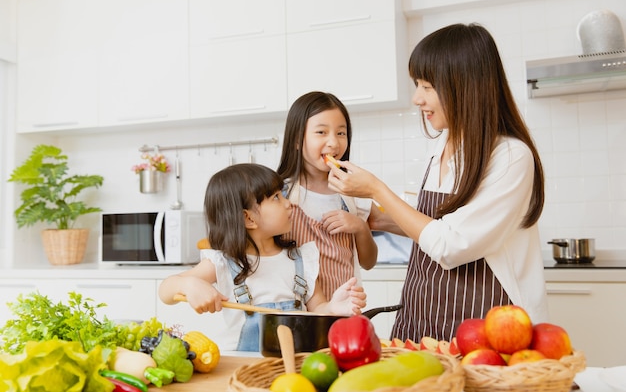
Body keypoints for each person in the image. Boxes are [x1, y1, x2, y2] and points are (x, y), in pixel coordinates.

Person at [327, 23, 549, 343]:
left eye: (427, 86)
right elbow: (434, 226)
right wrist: (376, 219)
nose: (417, 98)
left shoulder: (510, 156)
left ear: (465, 85)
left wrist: (376, 189)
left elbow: (450, 245)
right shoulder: (444, 144)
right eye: (417, 84)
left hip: (488, 322)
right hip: (423, 314)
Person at [158, 163, 366, 352]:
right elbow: (166, 290)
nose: (288, 204)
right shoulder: (224, 263)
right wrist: (189, 285)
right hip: (240, 369)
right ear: (248, 218)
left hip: (291, 368)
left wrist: (333, 308)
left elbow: (318, 309)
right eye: (276, 197)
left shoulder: (301, 259)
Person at [276, 91, 378, 301]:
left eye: (341, 133)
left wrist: (360, 226)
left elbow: (368, 262)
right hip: (296, 313)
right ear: (297, 140)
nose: (333, 143)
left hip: (345, 313)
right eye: (321, 132)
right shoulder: (278, 195)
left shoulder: (351, 193)